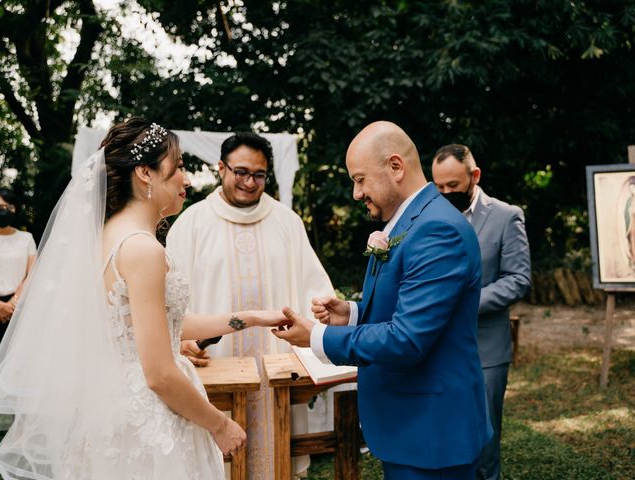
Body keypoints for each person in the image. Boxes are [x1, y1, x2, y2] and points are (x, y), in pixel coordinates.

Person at [0, 118, 288, 479]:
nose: (187, 178)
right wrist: (218, 424)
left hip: (110, 408)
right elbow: (160, 374)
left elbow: (163, 325)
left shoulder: (106, 237)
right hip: (150, 418)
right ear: (145, 172)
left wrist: (251, 317)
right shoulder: (142, 249)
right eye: (178, 167)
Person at [273, 121, 492, 479]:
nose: (356, 193)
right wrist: (354, 314)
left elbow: (407, 339)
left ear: (395, 167)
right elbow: (406, 305)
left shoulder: (437, 230)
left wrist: (316, 337)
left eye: (360, 179)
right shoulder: (411, 222)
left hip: (432, 432)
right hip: (412, 425)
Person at [166, 131, 336, 479]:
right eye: (241, 171)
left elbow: (314, 290)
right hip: (217, 370)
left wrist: (321, 314)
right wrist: (179, 341)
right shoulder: (191, 224)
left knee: (279, 463)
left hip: (278, 374)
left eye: (258, 174)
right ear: (221, 168)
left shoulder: (286, 222)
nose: (249, 182)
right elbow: (169, 303)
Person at [431, 144, 531, 480]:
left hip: (485, 348)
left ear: (474, 176)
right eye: (439, 187)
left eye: (453, 186)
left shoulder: (506, 216)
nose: (445, 194)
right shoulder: (430, 217)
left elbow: (519, 280)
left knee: (484, 441)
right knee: (444, 436)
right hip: (437, 348)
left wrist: (468, 304)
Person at [0, 188, 36, 354]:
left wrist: (12, 303)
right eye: (0, 206)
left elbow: (32, 273)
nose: (5, 211)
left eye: (10, 207)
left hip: (17, 309)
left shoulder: (26, 238)